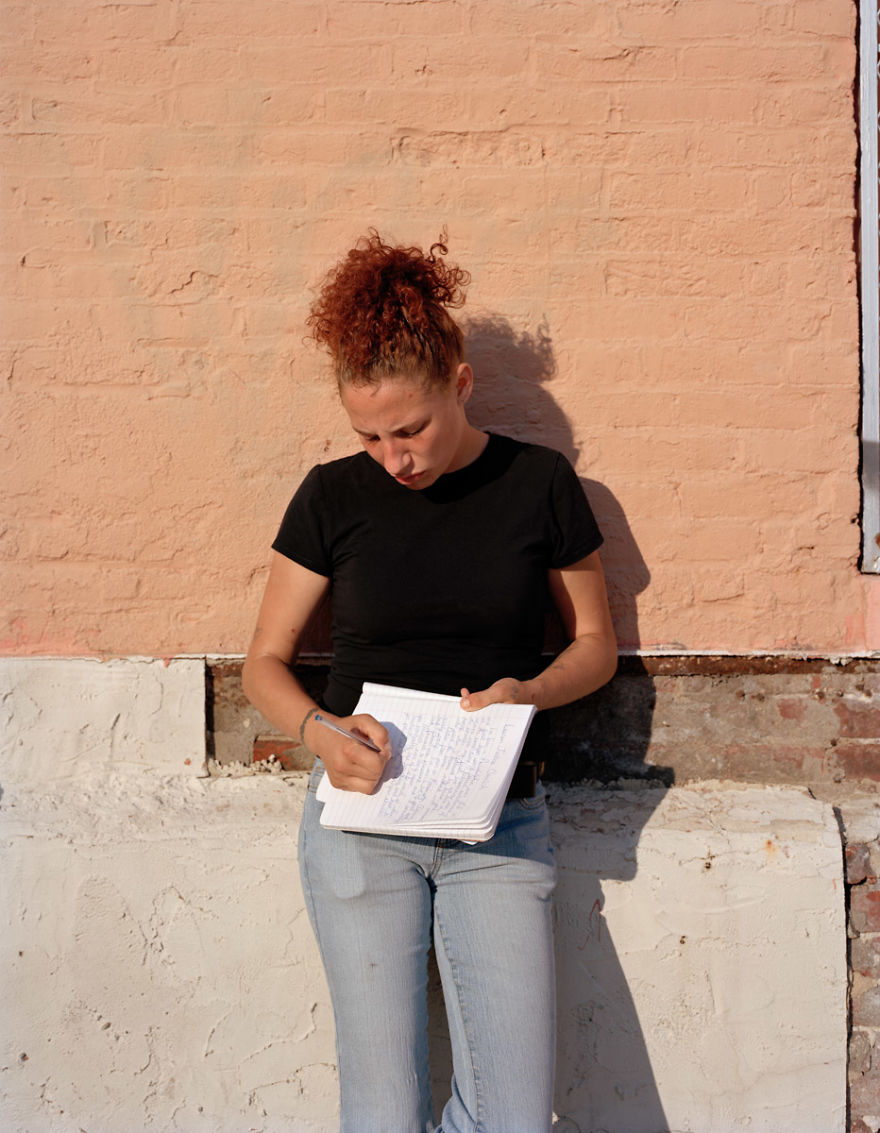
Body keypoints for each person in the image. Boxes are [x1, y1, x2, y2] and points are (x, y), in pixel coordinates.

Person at [242, 230, 618, 1133]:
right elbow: (264, 662)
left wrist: (527, 694)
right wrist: (318, 733)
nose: (393, 457)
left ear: (460, 381)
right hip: (363, 822)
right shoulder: (333, 495)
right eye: (369, 436)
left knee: (516, 1117)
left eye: (409, 429)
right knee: (382, 1111)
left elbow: (595, 645)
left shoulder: (541, 484)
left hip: (500, 817)